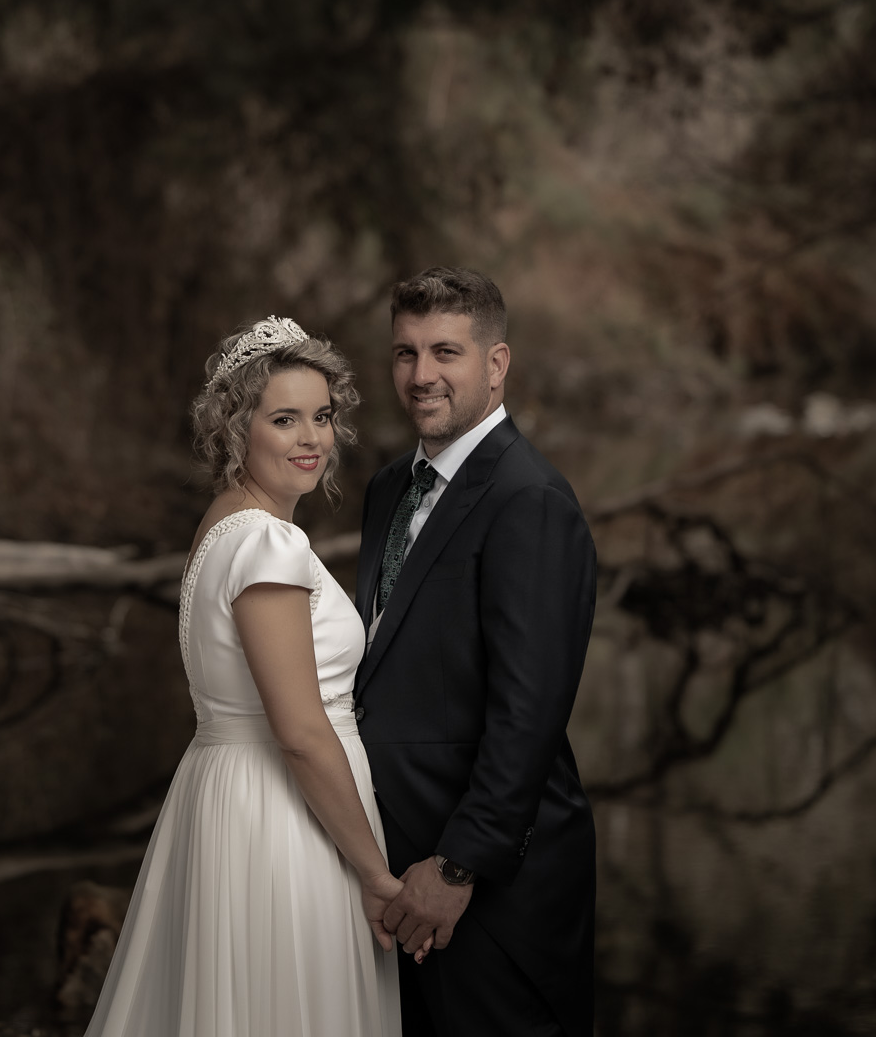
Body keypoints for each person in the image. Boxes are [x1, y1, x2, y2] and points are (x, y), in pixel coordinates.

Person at [85, 315, 421, 1037]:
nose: (312, 438)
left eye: (323, 417)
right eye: (285, 419)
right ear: (237, 429)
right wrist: (374, 876)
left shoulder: (226, 525)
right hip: (284, 822)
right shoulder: (267, 544)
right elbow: (299, 731)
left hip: (231, 796)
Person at [355, 268, 599, 1037]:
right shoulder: (390, 489)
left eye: (446, 353)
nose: (421, 375)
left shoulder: (530, 501)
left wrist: (459, 866)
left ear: (495, 366)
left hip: (491, 891)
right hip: (394, 872)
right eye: (405, 353)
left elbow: (528, 714)